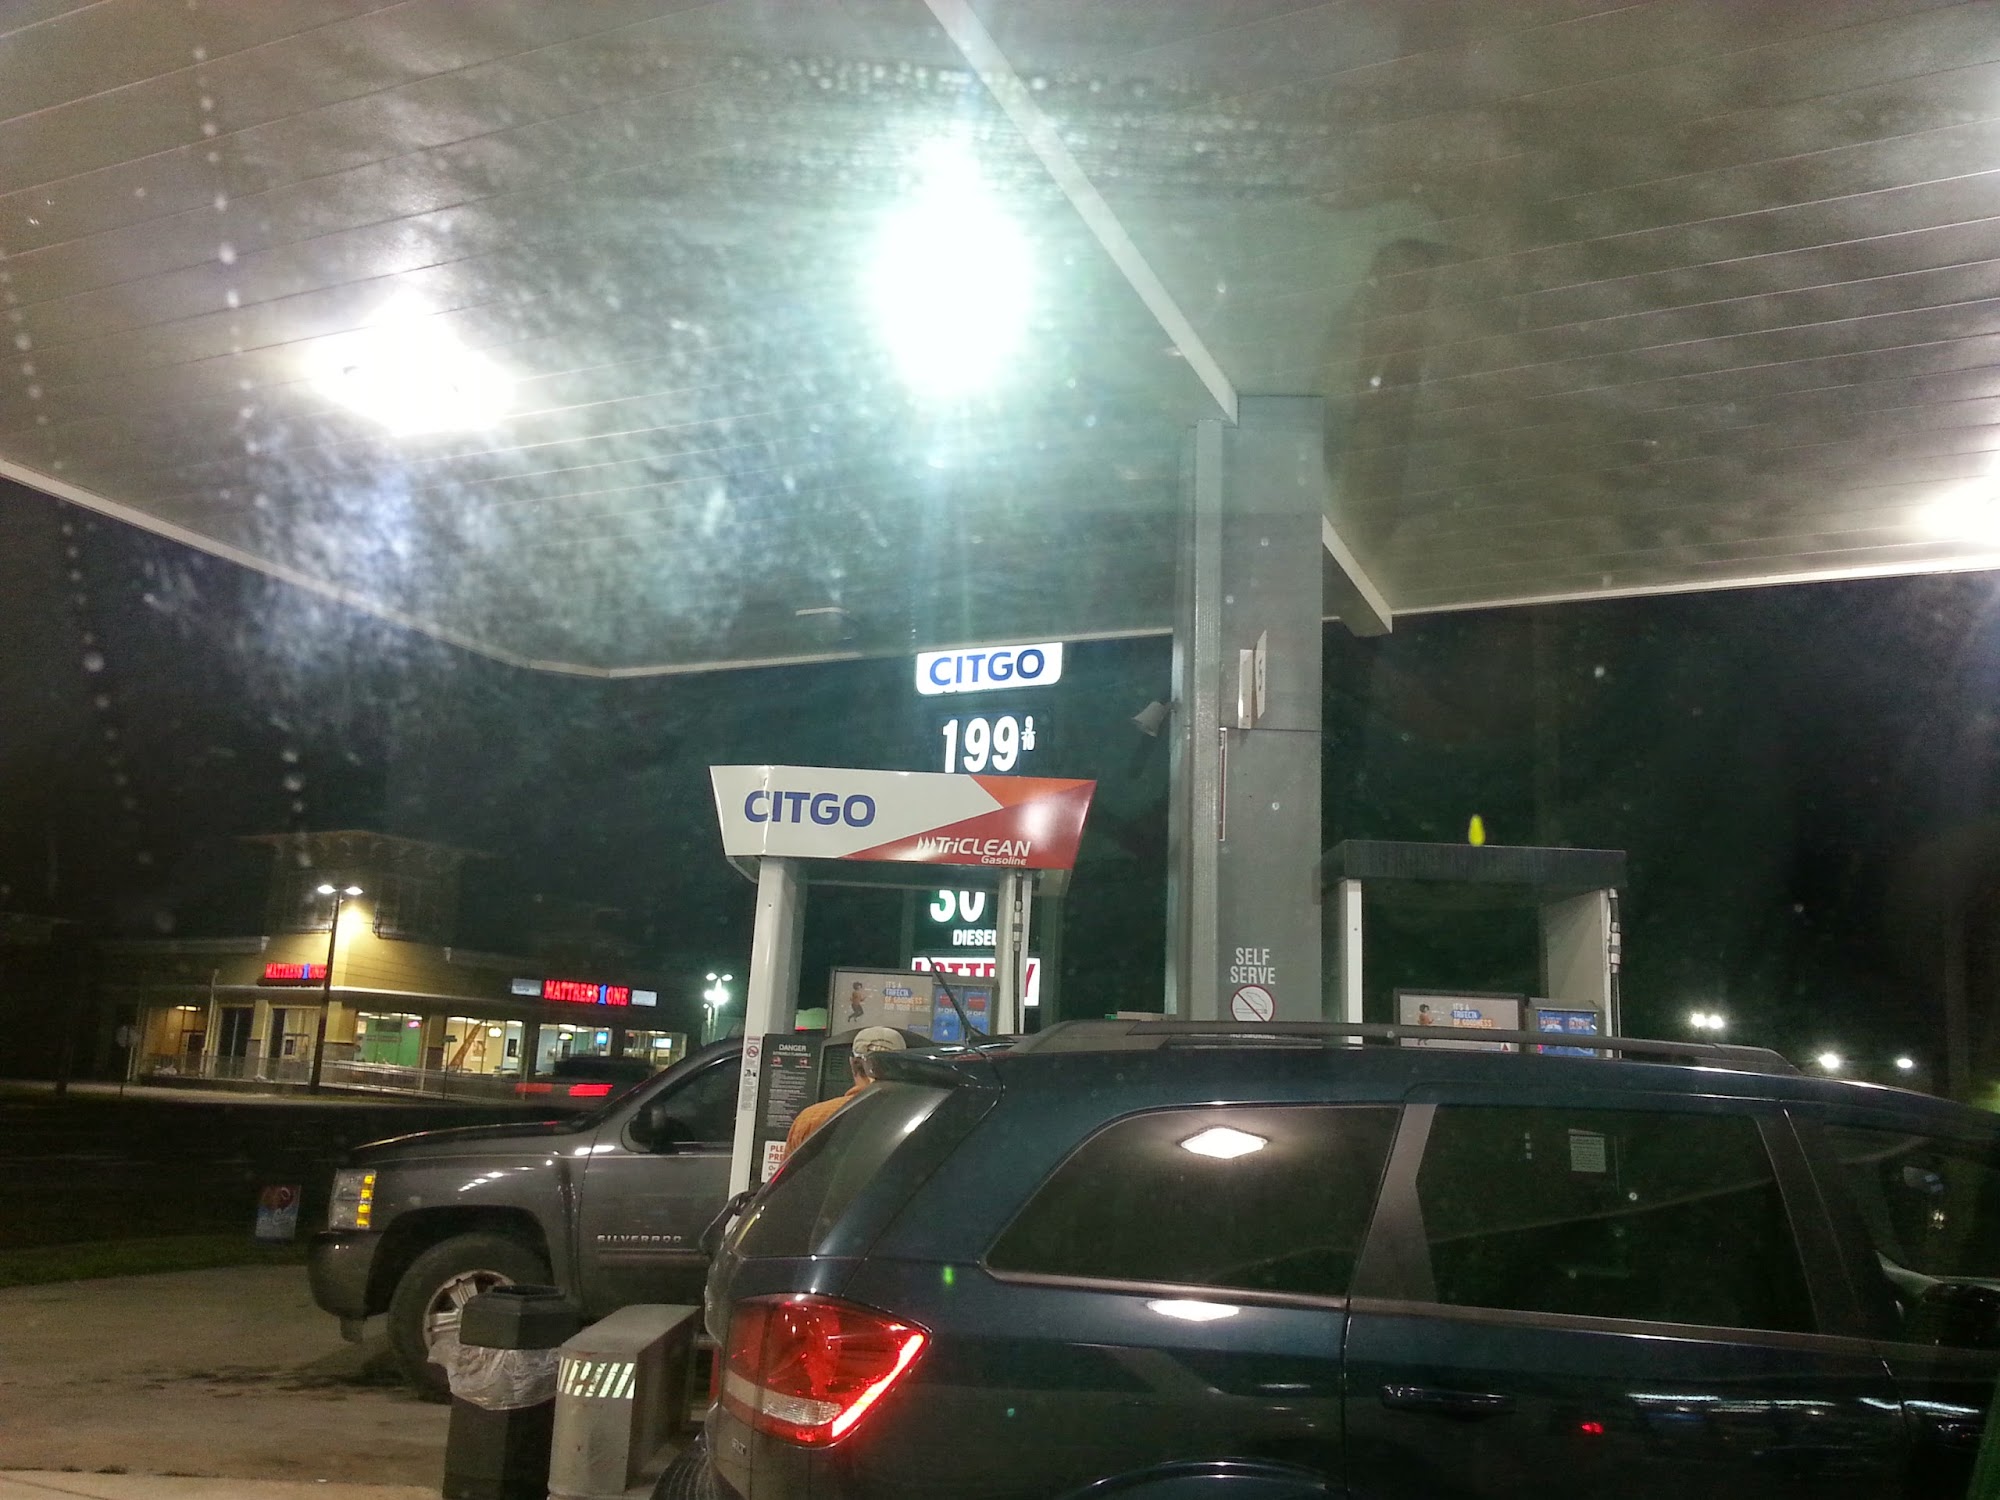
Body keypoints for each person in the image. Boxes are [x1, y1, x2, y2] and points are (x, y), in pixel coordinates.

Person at [784, 1027, 905, 1157]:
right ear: (902, 1066)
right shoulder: (911, 1118)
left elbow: (789, 1170)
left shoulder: (810, 1119)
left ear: (852, 1064)